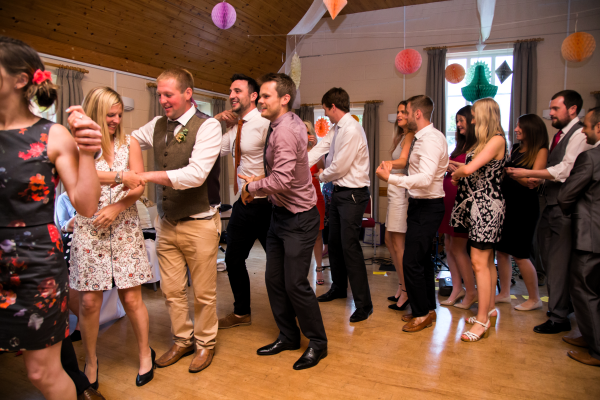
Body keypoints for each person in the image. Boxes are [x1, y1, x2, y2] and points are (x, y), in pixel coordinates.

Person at [0, 36, 103, 400]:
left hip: (34, 266)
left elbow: (87, 205)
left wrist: (88, 152)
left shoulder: (52, 135)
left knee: (42, 372)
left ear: (20, 79)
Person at [132, 68, 223, 373]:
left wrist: (144, 176)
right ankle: (182, 340)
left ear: (187, 94)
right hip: (167, 223)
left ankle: (205, 344)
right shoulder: (157, 125)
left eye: (167, 94)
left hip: (200, 223)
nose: (162, 100)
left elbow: (195, 175)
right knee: (172, 292)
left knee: (204, 293)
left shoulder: (208, 126)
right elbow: (131, 138)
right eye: (159, 94)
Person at [68, 86, 155, 388]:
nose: (117, 119)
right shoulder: (78, 144)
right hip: (89, 228)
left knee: (131, 298)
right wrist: (119, 176)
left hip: (124, 228)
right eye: (110, 115)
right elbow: (79, 178)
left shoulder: (128, 142)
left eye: (119, 114)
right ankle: (90, 361)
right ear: (94, 114)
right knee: (89, 302)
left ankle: (145, 353)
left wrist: (117, 206)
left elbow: (139, 184)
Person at [241, 72, 328, 370]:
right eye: (260, 96)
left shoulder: (287, 131)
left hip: (299, 219)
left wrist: (251, 187)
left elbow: (281, 180)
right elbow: (278, 177)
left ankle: (318, 343)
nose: (260, 100)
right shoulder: (279, 124)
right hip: (280, 216)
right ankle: (288, 336)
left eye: (266, 96)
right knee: (274, 279)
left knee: (295, 284)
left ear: (284, 98)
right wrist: (261, 181)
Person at [507, 90, 591, 334]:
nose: (550, 113)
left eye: (555, 108)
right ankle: (561, 310)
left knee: (557, 264)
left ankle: (558, 317)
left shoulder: (578, 135)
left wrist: (527, 174)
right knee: (553, 262)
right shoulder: (560, 135)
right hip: (551, 205)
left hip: (564, 209)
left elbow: (565, 170)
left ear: (572, 109)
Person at [376, 95, 448, 333]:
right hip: (419, 204)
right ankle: (427, 309)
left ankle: (421, 313)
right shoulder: (421, 138)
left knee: (412, 261)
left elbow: (426, 179)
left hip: (428, 206)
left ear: (417, 113)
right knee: (423, 261)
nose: (403, 116)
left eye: (406, 111)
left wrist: (391, 179)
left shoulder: (429, 140)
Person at [308, 87, 373, 323]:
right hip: (338, 193)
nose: (325, 115)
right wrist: (300, 164)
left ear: (333, 107)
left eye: (326, 110)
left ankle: (364, 304)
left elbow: (340, 167)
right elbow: (320, 149)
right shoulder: (336, 129)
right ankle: (338, 288)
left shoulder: (352, 129)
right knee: (333, 243)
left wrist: (320, 176)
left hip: (353, 195)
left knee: (349, 248)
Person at [215, 73, 270, 329]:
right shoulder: (237, 127)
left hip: (269, 206)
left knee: (280, 266)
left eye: (237, 91)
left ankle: (290, 316)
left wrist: (260, 179)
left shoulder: (264, 123)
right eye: (231, 91)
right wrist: (215, 121)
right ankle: (241, 312)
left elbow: (283, 162)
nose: (232, 95)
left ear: (253, 96)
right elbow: (214, 147)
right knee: (233, 259)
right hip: (244, 205)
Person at [451, 98, 508, 342]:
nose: (472, 120)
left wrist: (460, 172)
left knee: (479, 261)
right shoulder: (487, 141)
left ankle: (482, 318)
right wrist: (459, 171)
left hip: (488, 206)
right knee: (485, 261)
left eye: (474, 115)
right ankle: (490, 308)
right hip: (478, 205)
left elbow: (470, 169)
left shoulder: (496, 139)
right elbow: (469, 169)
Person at [557, 107, 600, 367]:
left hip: (590, 235)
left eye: (587, 125)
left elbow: (565, 195)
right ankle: (590, 335)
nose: (583, 130)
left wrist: (571, 212)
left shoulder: (592, 157)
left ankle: (596, 349)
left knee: (585, 291)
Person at [496, 114, 548, 311]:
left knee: (520, 254)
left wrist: (514, 175)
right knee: (501, 251)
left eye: (519, 126)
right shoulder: (516, 148)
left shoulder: (540, 151)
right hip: (508, 206)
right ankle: (504, 293)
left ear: (530, 129)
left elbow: (533, 182)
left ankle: (534, 299)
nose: (516, 129)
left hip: (524, 208)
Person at [439, 106, 477, 308]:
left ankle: (471, 291)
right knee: (449, 246)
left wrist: (451, 164)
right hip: (448, 200)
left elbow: (473, 171)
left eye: (461, 120)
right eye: (457, 121)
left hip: (461, 202)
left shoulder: (478, 147)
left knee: (459, 248)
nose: (459, 125)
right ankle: (456, 288)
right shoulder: (460, 146)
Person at [380, 101, 415, 311]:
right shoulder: (400, 136)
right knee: (388, 240)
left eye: (404, 111)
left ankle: (406, 290)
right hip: (394, 190)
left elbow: (403, 161)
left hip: (402, 191)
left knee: (399, 245)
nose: (400, 114)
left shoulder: (410, 135)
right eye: (398, 111)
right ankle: (402, 285)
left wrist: (387, 164)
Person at [305, 121, 326, 285]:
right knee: (302, 236)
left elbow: (322, 169)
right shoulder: (293, 150)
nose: (305, 135)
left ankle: (319, 269)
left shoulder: (315, 151)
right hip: (300, 198)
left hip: (316, 196)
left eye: (308, 132)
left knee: (318, 235)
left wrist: (316, 147)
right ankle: (302, 270)